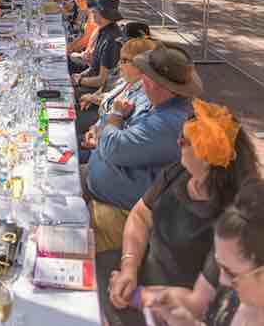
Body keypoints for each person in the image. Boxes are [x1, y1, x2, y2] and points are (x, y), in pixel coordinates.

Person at [100, 99, 259, 326]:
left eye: (184, 141)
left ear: (206, 156)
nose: (177, 142)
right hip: (139, 275)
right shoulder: (179, 173)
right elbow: (140, 216)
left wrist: (136, 296)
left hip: (169, 311)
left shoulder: (232, 216)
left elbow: (198, 302)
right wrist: (128, 267)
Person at [82, 44, 202, 213]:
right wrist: (106, 130)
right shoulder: (161, 105)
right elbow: (110, 134)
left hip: (123, 210)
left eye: (146, 75)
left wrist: (115, 117)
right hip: (99, 183)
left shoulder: (168, 121)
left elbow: (113, 146)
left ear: (150, 82)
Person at [144, 177, 264, 326]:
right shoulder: (242, 293)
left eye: (231, 273)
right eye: (218, 264)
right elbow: (198, 303)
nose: (221, 280)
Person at [78, 37, 157, 141]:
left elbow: (123, 136)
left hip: (104, 141)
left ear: (139, 65)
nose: (119, 65)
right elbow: (111, 100)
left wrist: (98, 133)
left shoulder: (144, 95)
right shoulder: (128, 81)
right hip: (100, 129)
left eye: (124, 60)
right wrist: (95, 127)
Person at [71, 0, 123, 93]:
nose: (92, 14)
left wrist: (80, 80)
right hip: (92, 83)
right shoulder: (103, 30)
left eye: (94, 12)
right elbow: (93, 68)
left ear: (104, 14)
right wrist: (79, 76)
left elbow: (102, 80)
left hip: (98, 91)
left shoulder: (111, 40)